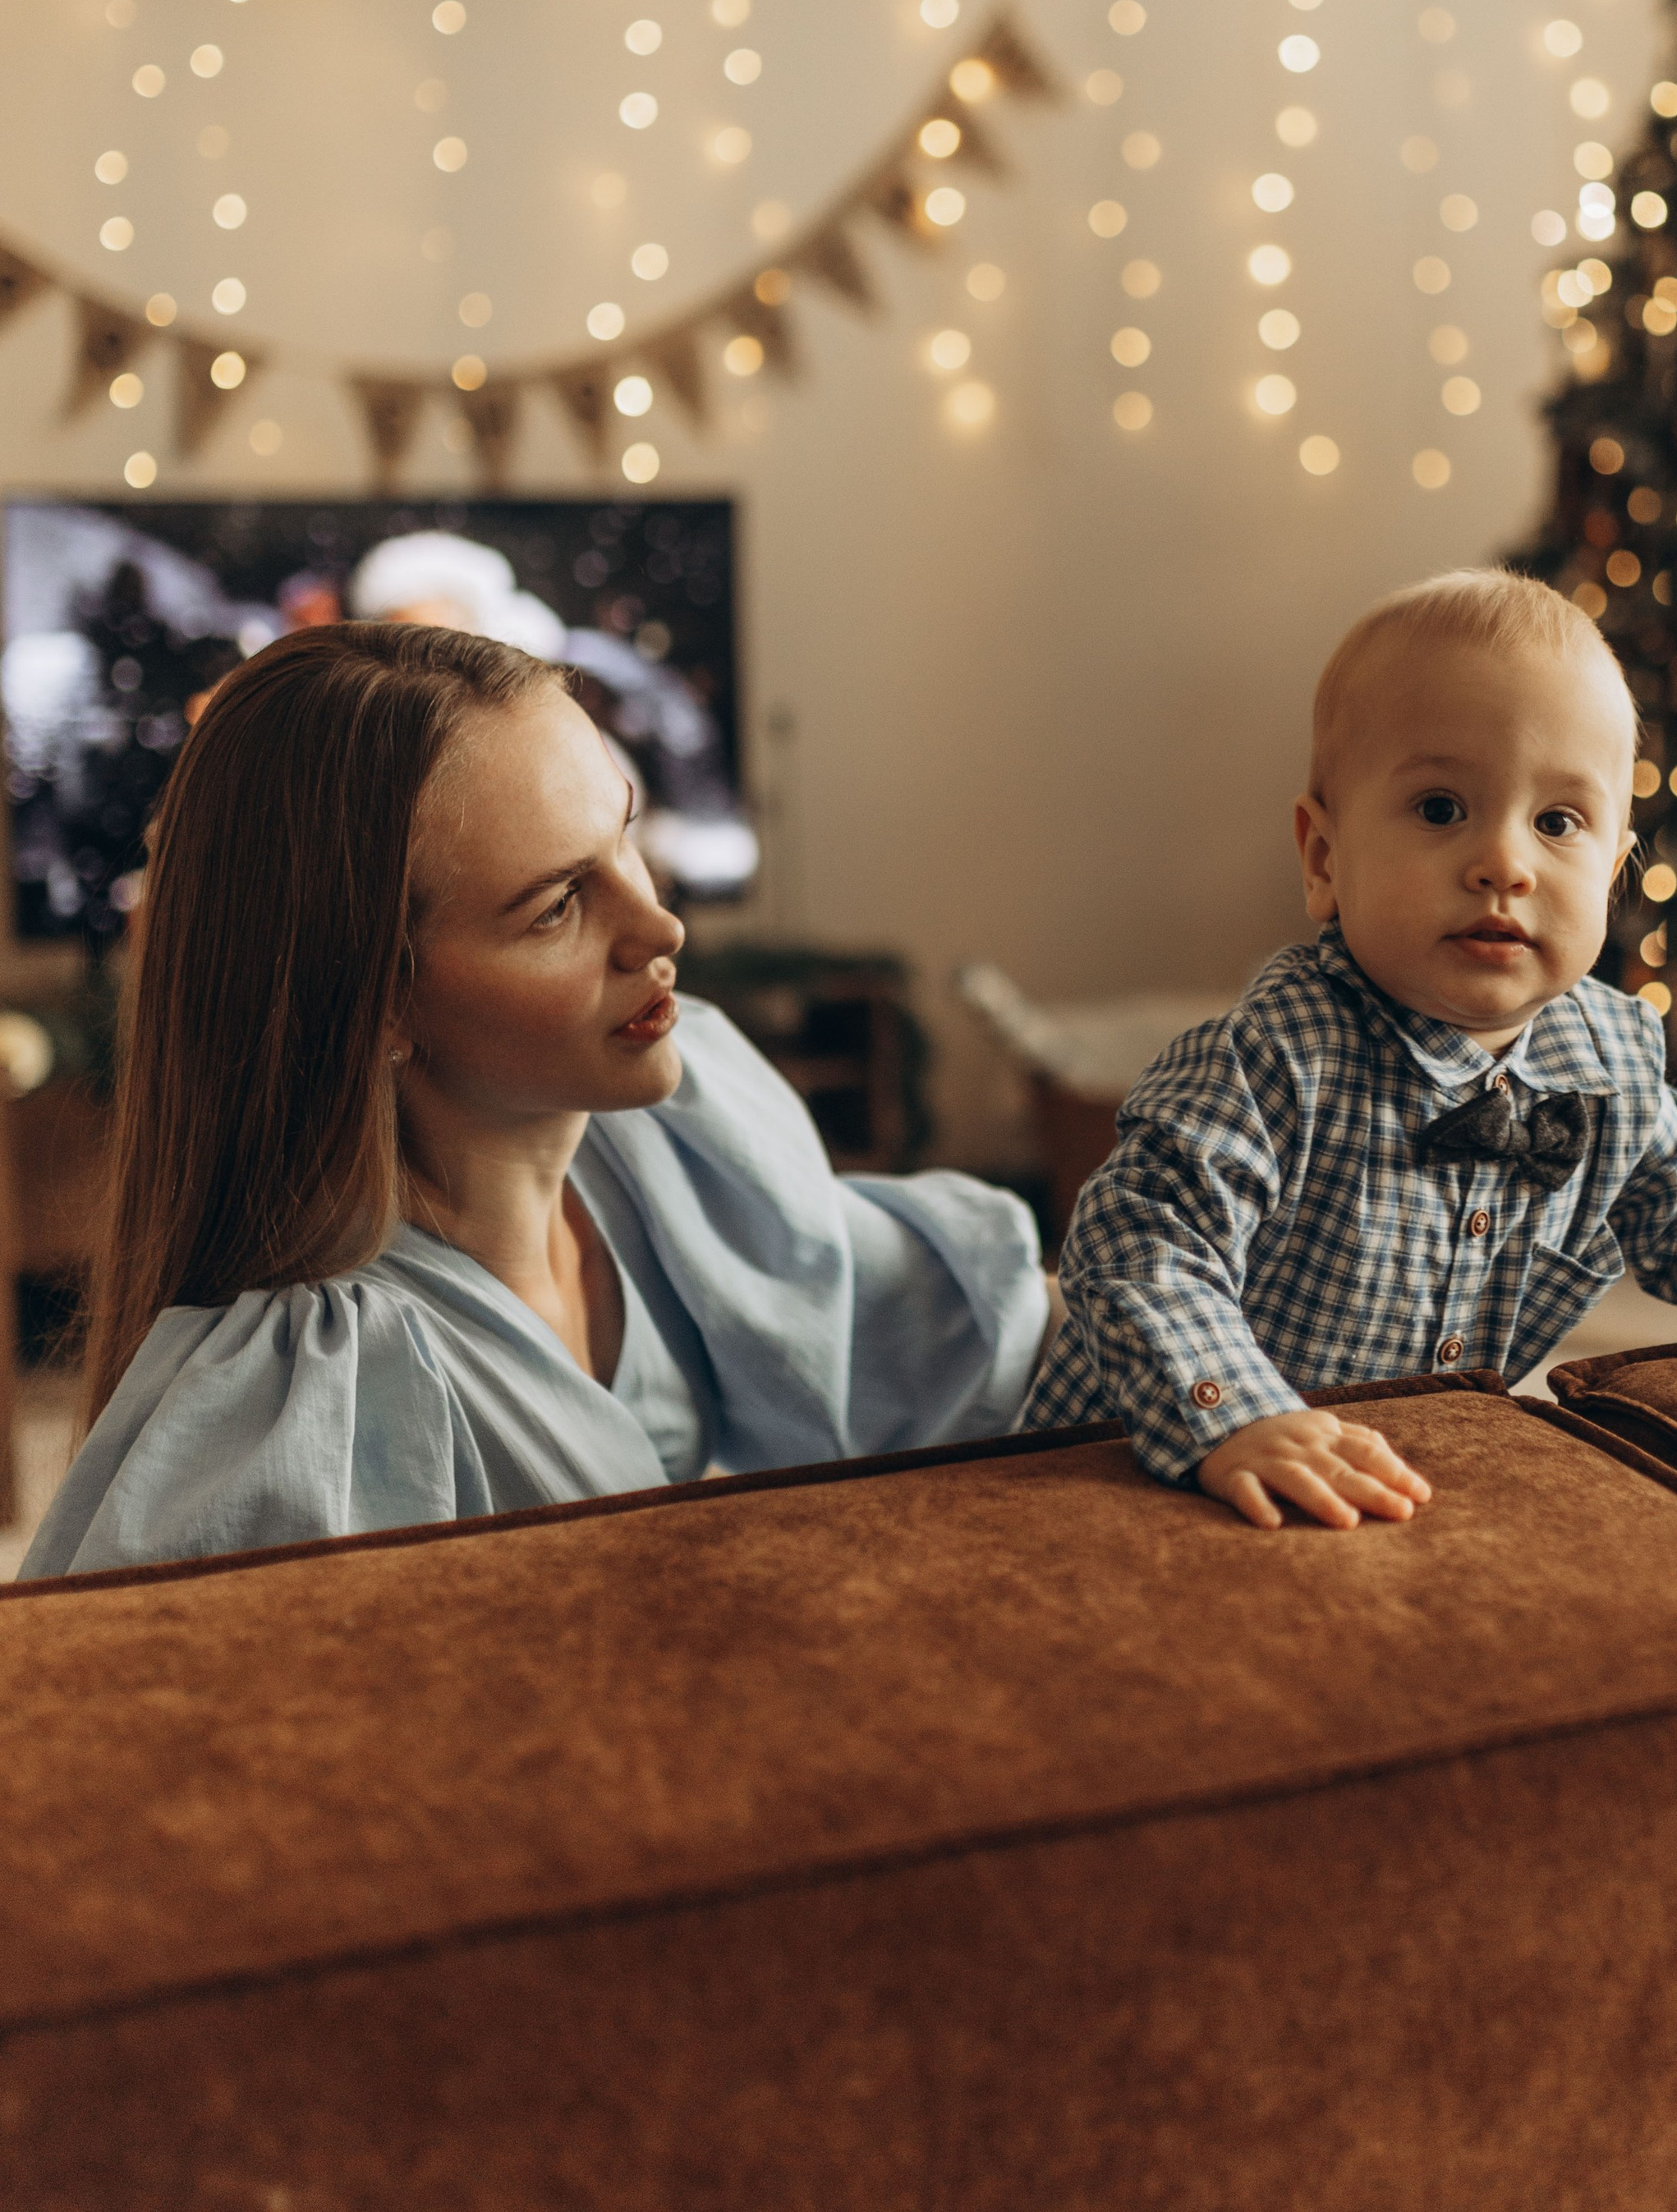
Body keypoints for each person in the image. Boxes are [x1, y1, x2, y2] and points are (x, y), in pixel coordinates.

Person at [1025, 568, 1677, 1530]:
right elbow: (1138, 1246)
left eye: (1558, 821)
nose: (1504, 863)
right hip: (1143, 1465)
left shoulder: (1604, 1062)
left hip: (1385, 1483)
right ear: (1324, 856)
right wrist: (1232, 1413)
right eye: (1440, 809)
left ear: (1612, 871)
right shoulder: (1270, 1059)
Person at [24, 624, 1048, 1576]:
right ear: (377, 1001)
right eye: (557, 906)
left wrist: (1190, 1344)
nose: (659, 927)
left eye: (627, 837)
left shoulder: (666, 1138)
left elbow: (963, 1329)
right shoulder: (314, 1396)